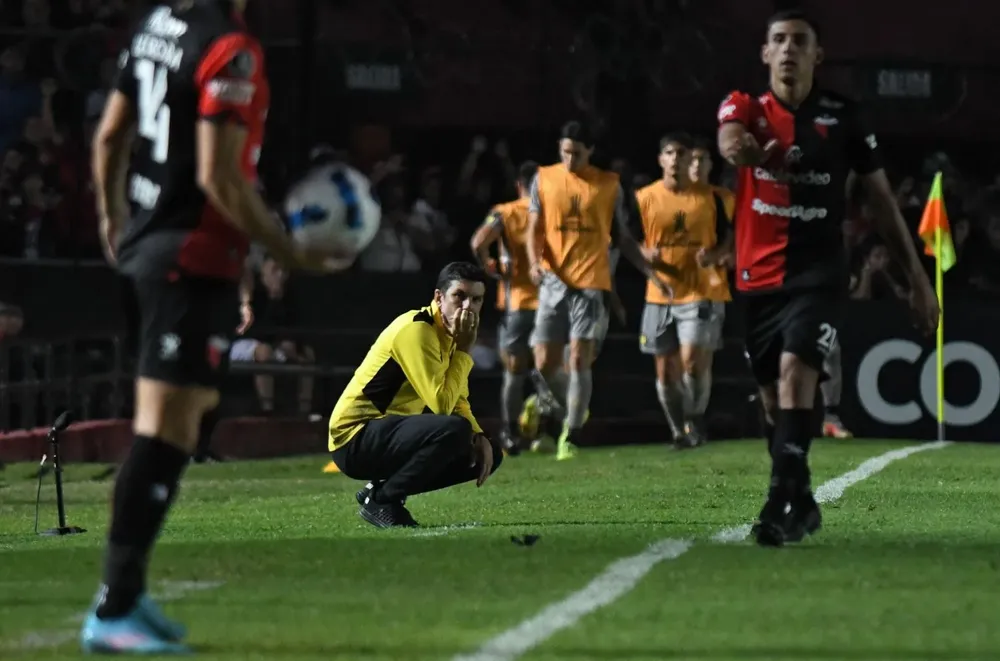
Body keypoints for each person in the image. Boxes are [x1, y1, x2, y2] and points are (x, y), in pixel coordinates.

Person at [83, 0, 325, 653]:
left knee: (177, 424)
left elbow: (111, 136)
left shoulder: (157, 27)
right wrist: (287, 247)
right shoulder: (230, 49)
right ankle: (114, 607)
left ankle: (127, 597)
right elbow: (218, 176)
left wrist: (111, 221)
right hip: (189, 260)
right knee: (165, 432)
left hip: (149, 249)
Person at [716, 9, 937, 547]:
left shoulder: (844, 117)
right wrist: (744, 147)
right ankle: (805, 499)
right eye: (778, 41)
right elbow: (730, 139)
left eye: (800, 41)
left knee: (797, 374)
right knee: (773, 400)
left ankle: (777, 502)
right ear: (765, 53)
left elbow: (880, 201)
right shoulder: (745, 106)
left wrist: (918, 280)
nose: (788, 49)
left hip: (818, 274)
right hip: (756, 277)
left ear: (818, 55)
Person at [526, 120, 670, 461]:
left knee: (578, 358)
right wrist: (533, 262)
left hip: (591, 284)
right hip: (552, 281)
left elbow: (620, 236)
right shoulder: (544, 178)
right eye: (565, 152)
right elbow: (534, 229)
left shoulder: (608, 186)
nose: (570, 158)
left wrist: (650, 272)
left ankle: (570, 434)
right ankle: (564, 404)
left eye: (576, 152)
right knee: (544, 362)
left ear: (590, 151)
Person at [328, 262, 502, 528]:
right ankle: (383, 500)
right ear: (439, 298)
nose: (468, 307)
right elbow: (442, 405)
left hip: (386, 434)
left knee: (487, 453)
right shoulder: (417, 329)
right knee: (453, 430)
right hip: (354, 438)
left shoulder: (453, 335)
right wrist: (466, 350)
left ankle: (378, 489)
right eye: (460, 296)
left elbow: (458, 400)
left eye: (476, 300)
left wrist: (479, 435)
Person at [636, 133, 733, 449]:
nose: (676, 159)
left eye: (681, 153)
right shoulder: (644, 197)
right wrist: (642, 253)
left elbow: (730, 238)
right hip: (660, 293)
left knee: (692, 360)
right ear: (660, 159)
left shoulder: (712, 197)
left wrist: (716, 256)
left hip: (700, 291)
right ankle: (678, 430)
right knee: (665, 370)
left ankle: (694, 417)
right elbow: (624, 237)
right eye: (669, 153)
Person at [470, 161, 538, 454]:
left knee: (514, 371)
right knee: (552, 368)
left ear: (519, 184)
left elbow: (477, 243)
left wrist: (489, 267)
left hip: (518, 303)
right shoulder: (552, 212)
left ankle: (510, 432)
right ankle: (544, 424)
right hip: (553, 301)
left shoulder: (505, 212)